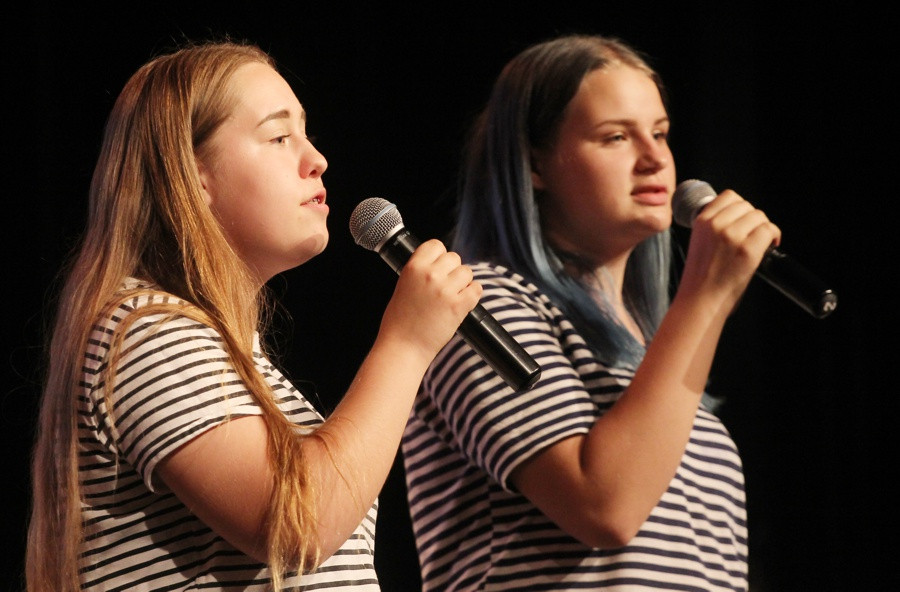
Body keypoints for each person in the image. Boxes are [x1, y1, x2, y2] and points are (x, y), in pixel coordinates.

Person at [26, 40, 481, 591]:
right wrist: (407, 344)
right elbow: (299, 525)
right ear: (193, 176)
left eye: (307, 133)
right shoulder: (144, 330)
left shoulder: (214, 347)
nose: (317, 159)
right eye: (280, 136)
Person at [401, 34, 780, 591]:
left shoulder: (652, 352)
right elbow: (604, 506)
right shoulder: (478, 304)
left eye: (660, 133)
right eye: (616, 137)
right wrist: (706, 296)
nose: (654, 159)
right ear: (535, 164)